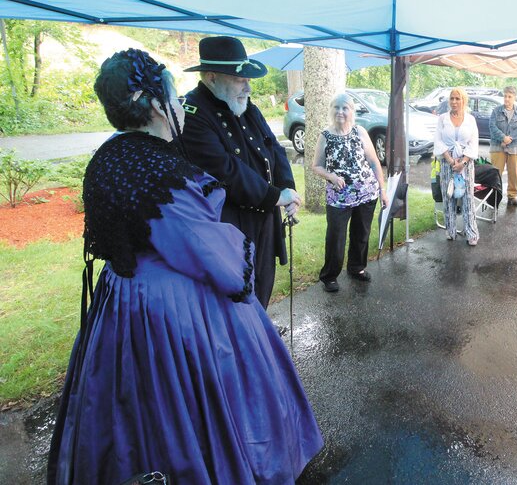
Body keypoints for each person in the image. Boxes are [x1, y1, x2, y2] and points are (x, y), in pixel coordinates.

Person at [47, 49, 323, 484]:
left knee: (127, 412)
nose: (178, 106)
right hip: (172, 309)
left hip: (118, 300)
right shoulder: (163, 170)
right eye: (172, 99)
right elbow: (212, 255)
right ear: (157, 106)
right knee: (192, 407)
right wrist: (238, 249)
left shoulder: (106, 158)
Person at [182, 36, 301, 309]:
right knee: (235, 297)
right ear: (211, 77)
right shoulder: (194, 113)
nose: (248, 86)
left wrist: (288, 190)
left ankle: (260, 335)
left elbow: (275, 148)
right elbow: (226, 170)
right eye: (240, 79)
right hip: (230, 224)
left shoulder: (245, 105)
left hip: (264, 217)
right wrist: (274, 196)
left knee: (262, 285)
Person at [311, 93, 389, 292]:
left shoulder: (360, 131)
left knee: (361, 234)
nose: (340, 112)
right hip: (339, 197)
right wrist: (332, 177)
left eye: (345, 108)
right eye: (336, 107)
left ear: (351, 111)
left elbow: (373, 162)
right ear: (331, 110)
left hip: (366, 193)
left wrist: (382, 190)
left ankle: (357, 268)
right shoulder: (325, 135)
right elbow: (316, 166)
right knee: (336, 238)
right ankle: (329, 276)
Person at [434, 87, 480, 245]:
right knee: (449, 196)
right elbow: (438, 140)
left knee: (467, 198)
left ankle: (471, 232)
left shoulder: (470, 119)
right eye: (452, 98)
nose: (454, 102)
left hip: (465, 164)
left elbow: (474, 142)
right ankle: (450, 229)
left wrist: (463, 162)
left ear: (464, 101)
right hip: (448, 163)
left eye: (457, 99)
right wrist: (449, 159)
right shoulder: (442, 119)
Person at [489, 85, 517, 205]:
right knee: (496, 172)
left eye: (509, 96)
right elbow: (492, 126)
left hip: (516, 146)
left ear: (514, 97)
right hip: (497, 145)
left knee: (514, 172)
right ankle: (495, 194)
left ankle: (512, 195)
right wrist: (503, 137)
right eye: (505, 96)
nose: (507, 99)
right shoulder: (496, 111)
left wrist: (510, 138)